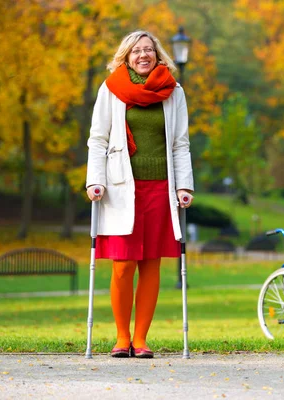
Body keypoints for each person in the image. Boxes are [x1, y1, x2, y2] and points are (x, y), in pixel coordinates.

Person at [85, 31, 194, 359]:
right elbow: (98, 139)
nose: (143, 55)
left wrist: (184, 185)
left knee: (151, 263)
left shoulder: (173, 91)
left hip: (160, 188)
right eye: (137, 51)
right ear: (126, 56)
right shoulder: (112, 89)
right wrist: (94, 180)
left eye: (149, 50)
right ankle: (121, 337)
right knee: (122, 263)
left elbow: (180, 142)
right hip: (120, 188)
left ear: (158, 55)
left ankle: (141, 339)